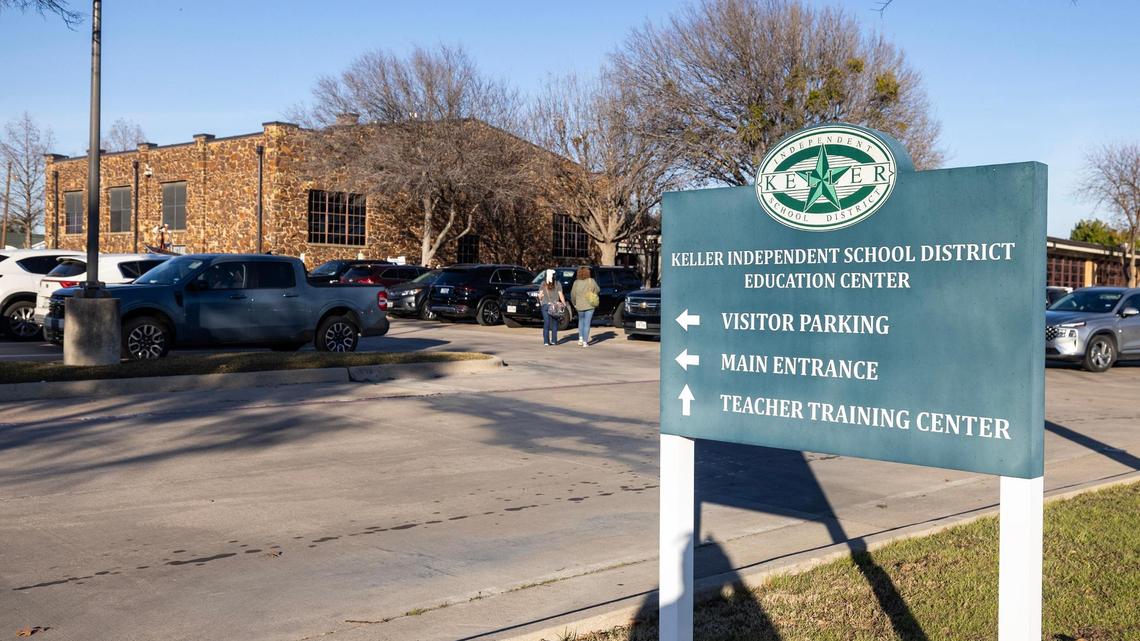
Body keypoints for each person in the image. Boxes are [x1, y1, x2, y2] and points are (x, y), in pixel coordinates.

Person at [570, 265, 600, 346]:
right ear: (588, 273)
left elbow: (573, 295)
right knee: (587, 323)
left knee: (581, 321)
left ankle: (580, 338)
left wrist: (574, 304)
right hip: (590, 305)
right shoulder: (592, 281)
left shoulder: (576, 283)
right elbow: (598, 290)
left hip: (579, 305)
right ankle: (585, 342)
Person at [538, 269, 567, 346]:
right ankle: (554, 340)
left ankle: (546, 342)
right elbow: (561, 295)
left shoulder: (543, 283)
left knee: (546, 323)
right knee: (554, 323)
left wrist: (541, 298)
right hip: (555, 306)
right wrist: (564, 304)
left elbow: (540, 296)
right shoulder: (557, 284)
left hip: (545, 306)